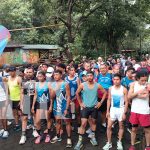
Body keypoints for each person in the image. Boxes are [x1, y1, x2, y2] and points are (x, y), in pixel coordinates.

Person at [74, 71, 107, 150]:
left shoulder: (97, 85)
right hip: (85, 107)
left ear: (93, 76)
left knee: (93, 122)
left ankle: (93, 137)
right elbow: (77, 93)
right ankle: (80, 141)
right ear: (86, 77)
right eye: (88, 76)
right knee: (84, 123)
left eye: (91, 75)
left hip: (94, 107)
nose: (89, 77)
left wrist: (100, 103)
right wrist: (80, 103)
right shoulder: (83, 85)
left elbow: (105, 93)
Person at [103, 74, 128, 150]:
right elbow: (109, 99)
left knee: (121, 126)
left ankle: (119, 141)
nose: (116, 81)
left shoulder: (124, 89)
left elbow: (126, 102)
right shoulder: (110, 88)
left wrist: (124, 112)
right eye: (114, 79)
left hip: (121, 109)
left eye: (117, 79)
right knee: (109, 126)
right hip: (113, 109)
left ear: (120, 80)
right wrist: (107, 111)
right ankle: (109, 143)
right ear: (113, 80)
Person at [128, 71, 150, 150]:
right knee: (134, 129)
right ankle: (132, 145)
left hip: (145, 110)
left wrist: (135, 95)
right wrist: (138, 92)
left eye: (145, 80)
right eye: (142, 80)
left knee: (147, 129)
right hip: (135, 110)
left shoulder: (148, 85)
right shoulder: (133, 84)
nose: (144, 82)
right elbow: (129, 96)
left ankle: (148, 146)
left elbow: (145, 96)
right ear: (137, 79)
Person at [50, 70, 72, 148]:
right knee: (58, 121)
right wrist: (53, 90)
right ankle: (58, 135)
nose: (55, 76)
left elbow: (69, 96)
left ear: (61, 75)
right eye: (54, 75)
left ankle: (69, 138)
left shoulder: (65, 84)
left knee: (67, 122)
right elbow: (52, 97)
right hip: (57, 106)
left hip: (64, 106)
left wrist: (67, 108)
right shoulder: (52, 84)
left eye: (57, 74)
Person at [31, 71, 54, 144]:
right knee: (37, 121)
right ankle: (39, 135)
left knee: (48, 119)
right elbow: (35, 95)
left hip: (46, 103)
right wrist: (33, 105)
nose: (39, 77)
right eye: (38, 76)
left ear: (44, 76)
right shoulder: (36, 84)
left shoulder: (48, 84)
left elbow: (51, 97)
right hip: (39, 103)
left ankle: (48, 134)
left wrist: (51, 106)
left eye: (41, 76)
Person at [19, 67, 38, 144]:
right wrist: (21, 103)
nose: (28, 73)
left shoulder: (37, 80)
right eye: (27, 72)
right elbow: (22, 93)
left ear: (33, 72)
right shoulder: (23, 80)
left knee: (34, 116)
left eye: (30, 72)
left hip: (35, 100)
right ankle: (23, 135)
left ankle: (35, 129)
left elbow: (37, 92)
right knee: (24, 118)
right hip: (26, 100)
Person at [6, 66, 22, 131]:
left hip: (19, 99)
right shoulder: (8, 78)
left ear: (15, 71)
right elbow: (8, 89)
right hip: (12, 99)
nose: (11, 72)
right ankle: (17, 124)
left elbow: (22, 90)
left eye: (12, 71)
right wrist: (8, 98)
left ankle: (26, 124)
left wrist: (21, 100)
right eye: (10, 71)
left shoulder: (19, 78)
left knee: (21, 113)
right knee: (14, 113)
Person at [97, 63, 113, 128]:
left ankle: (105, 123)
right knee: (98, 110)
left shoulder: (111, 75)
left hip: (108, 96)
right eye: (101, 68)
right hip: (99, 96)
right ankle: (100, 123)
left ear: (106, 68)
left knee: (106, 110)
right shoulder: (98, 76)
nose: (102, 69)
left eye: (103, 68)